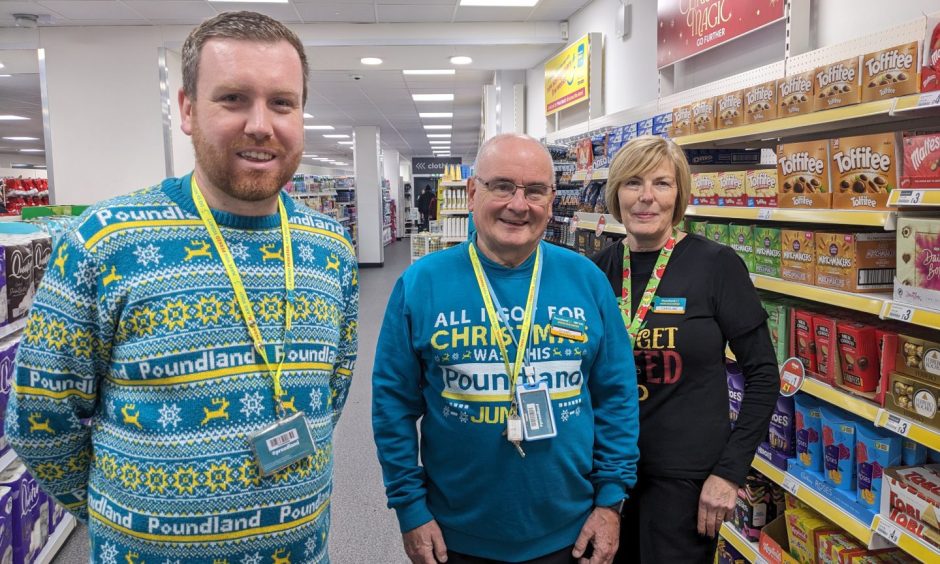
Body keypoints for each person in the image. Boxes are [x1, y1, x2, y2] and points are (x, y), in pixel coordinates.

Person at [4, 11, 358, 564]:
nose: (261, 124)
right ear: (188, 109)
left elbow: (330, 394)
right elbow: (39, 420)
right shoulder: (106, 240)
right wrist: (123, 514)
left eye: (282, 102)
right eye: (234, 98)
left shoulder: (331, 248)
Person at [373, 133, 639, 564]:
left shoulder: (586, 280)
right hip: (454, 535)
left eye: (535, 191)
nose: (519, 204)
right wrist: (410, 508)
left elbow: (617, 396)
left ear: (552, 200)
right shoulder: (423, 283)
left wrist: (611, 502)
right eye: (502, 187)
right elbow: (392, 405)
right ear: (474, 191)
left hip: (570, 531)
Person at [590, 136, 778, 563]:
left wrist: (729, 472)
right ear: (616, 191)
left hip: (685, 480)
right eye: (633, 183)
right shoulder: (598, 269)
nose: (646, 198)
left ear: (680, 195)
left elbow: (764, 374)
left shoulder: (716, 265)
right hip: (606, 475)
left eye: (662, 184)